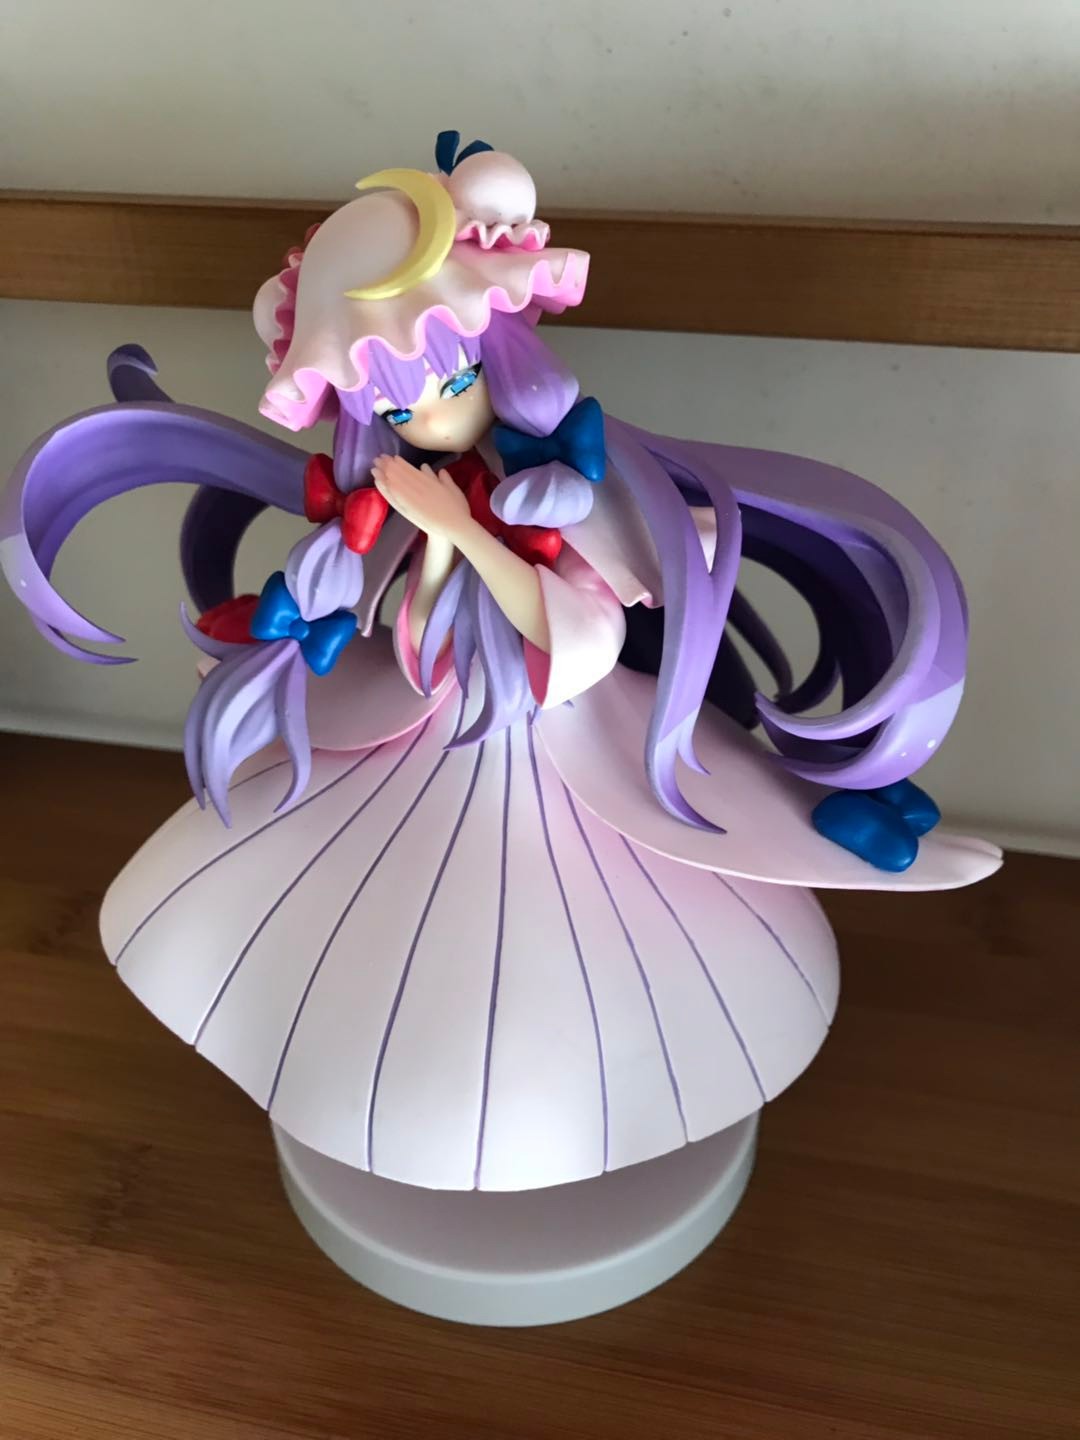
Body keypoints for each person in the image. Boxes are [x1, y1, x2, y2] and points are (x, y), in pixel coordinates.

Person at [1, 132, 1000, 1192]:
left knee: (579, 990)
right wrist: (365, 586)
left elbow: (579, 642)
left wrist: (460, 532)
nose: (424, 417)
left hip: (558, 750)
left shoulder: (563, 497)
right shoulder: (408, 490)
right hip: (426, 741)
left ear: (500, 355)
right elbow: (394, 623)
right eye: (394, 405)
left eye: (446, 381)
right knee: (361, 961)